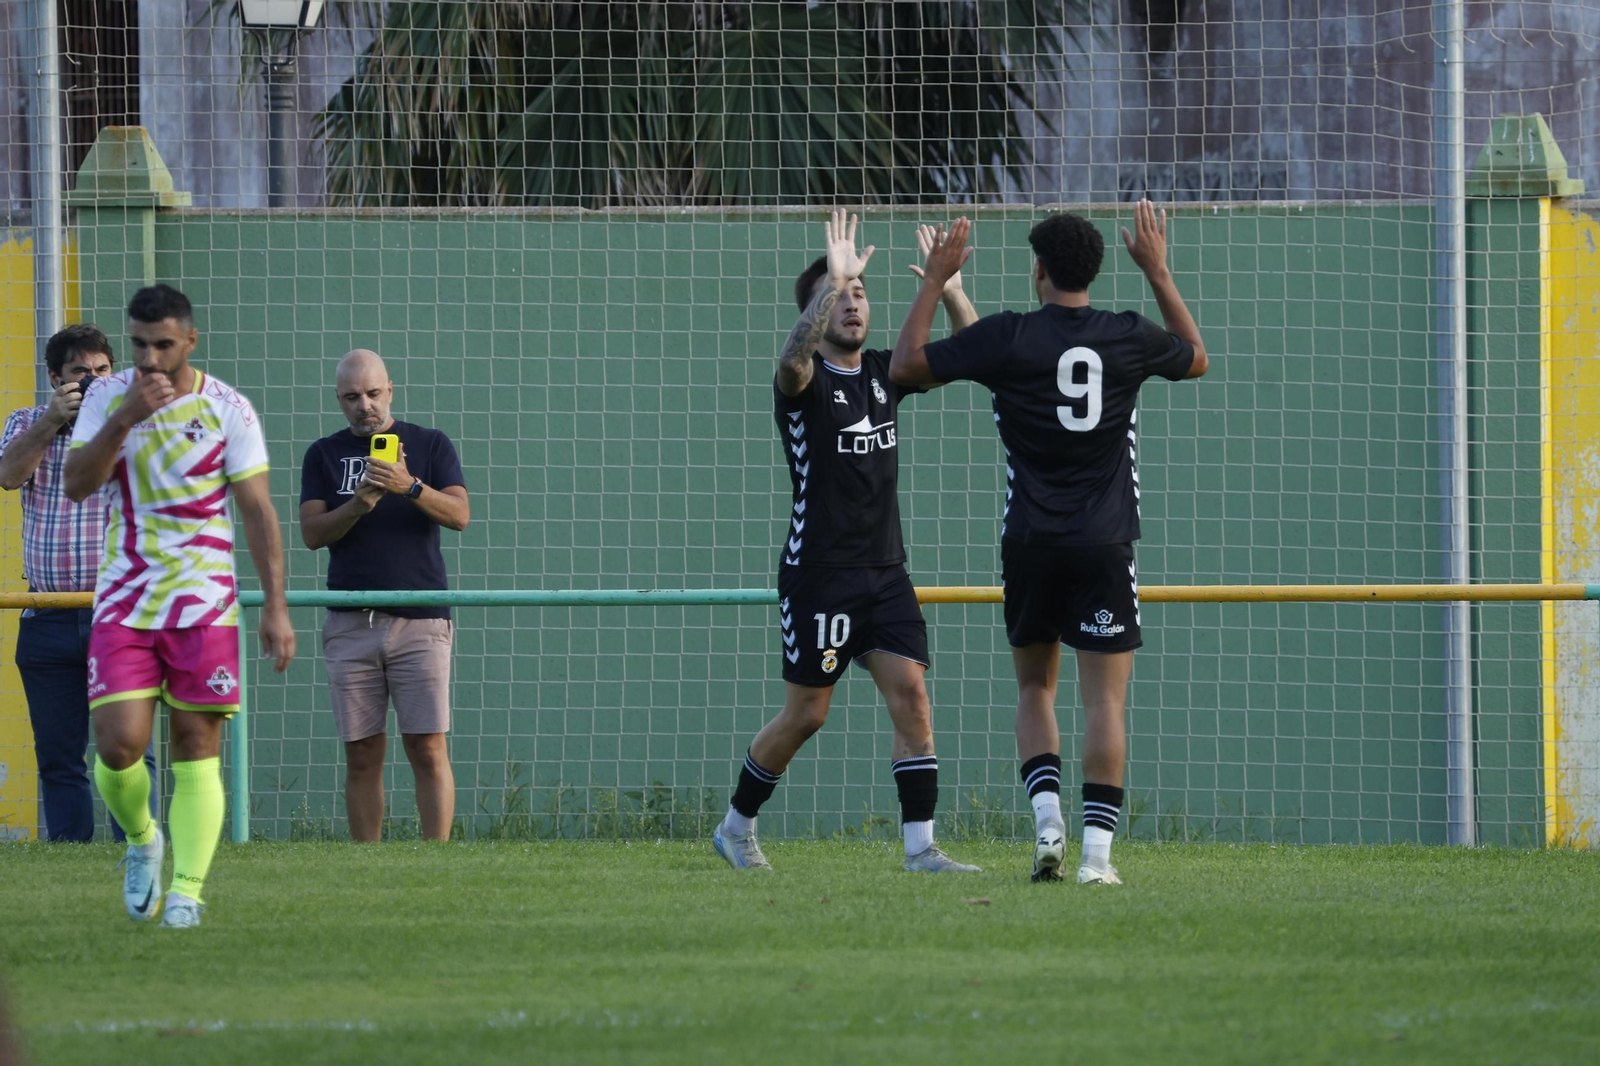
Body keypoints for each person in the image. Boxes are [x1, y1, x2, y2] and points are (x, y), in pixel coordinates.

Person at [889, 202, 1208, 884]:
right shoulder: (1125, 335)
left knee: (1035, 687)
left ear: (1037, 270)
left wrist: (935, 282)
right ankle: (1097, 859)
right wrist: (1156, 270)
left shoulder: (1009, 337)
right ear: (1093, 269)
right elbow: (1197, 358)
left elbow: (906, 369)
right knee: (1105, 702)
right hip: (1104, 542)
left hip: (1030, 541)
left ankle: (1047, 823)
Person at [711, 210, 981, 873]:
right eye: (842, 295)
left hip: (886, 573)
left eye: (861, 294)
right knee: (807, 717)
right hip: (819, 574)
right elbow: (790, 358)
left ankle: (921, 850)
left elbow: (971, 351)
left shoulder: (887, 374)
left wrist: (946, 288)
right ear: (818, 309)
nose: (855, 303)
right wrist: (831, 279)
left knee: (912, 696)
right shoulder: (801, 384)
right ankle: (735, 828)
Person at [64, 284, 295, 927]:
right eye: (138, 345)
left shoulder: (230, 410)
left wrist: (274, 606)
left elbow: (257, 510)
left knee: (197, 744)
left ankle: (188, 892)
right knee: (117, 745)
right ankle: (143, 842)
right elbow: (78, 485)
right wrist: (122, 419)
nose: (150, 359)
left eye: (163, 345)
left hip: (204, 606)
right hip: (125, 601)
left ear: (190, 341)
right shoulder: (108, 399)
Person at [299, 349, 469, 842]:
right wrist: (360, 503)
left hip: (421, 620)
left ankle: (435, 861)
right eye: (352, 397)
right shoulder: (323, 454)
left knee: (427, 746)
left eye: (373, 394)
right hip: (350, 622)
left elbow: (460, 515)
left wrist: (408, 486)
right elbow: (312, 534)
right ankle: (366, 863)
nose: (364, 406)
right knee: (362, 752)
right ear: (338, 399)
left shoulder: (430, 444)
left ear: (390, 389)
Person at [0, 324, 156, 842]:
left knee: (129, 751)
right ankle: (71, 856)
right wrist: (51, 421)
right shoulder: (25, 422)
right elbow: (9, 475)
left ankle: (136, 847)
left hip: (120, 613)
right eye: (79, 373)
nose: (92, 381)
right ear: (54, 378)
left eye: (101, 371)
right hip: (46, 616)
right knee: (58, 757)